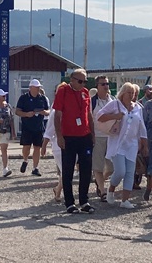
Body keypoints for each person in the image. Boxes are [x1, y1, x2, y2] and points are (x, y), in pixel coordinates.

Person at [98, 82, 147, 208]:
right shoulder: (115, 104)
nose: (131, 95)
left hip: (132, 144)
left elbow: (142, 127)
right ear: (123, 93)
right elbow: (100, 116)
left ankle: (125, 200)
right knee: (120, 171)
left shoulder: (138, 108)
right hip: (117, 144)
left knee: (130, 172)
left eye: (133, 93)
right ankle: (111, 189)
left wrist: (144, 142)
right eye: (129, 93)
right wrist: (115, 116)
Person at [53, 68, 96, 214]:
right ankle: (69, 203)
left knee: (86, 170)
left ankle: (84, 201)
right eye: (80, 81)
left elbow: (88, 115)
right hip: (68, 137)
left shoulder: (85, 93)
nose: (83, 83)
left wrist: (93, 134)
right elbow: (57, 115)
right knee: (68, 170)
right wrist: (59, 136)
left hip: (84, 136)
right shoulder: (63, 91)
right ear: (72, 80)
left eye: (85, 81)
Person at [16, 79, 50, 176]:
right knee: (26, 146)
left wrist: (45, 112)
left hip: (39, 126)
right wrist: (26, 114)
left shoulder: (42, 98)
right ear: (30, 88)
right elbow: (17, 111)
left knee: (37, 147)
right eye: (36, 87)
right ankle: (25, 160)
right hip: (27, 126)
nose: (38, 89)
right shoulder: (23, 98)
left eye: (39, 87)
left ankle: (35, 168)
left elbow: (49, 110)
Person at [42, 82, 68, 202]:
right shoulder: (55, 111)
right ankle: (65, 194)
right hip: (58, 145)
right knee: (66, 171)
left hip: (72, 143)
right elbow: (49, 130)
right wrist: (44, 146)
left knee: (67, 170)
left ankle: (58, 189)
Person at [90, 75, 115, 200]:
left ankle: (100, 182)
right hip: (97, 136)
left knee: (111, 168)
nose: (106, 86)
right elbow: (89, 119)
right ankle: (102, 190)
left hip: (111, 137)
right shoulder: (92, 102)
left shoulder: (113, 101)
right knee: (98, 166)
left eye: (107, 84)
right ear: (97, 86)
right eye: (103, 84)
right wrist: (91, 135)